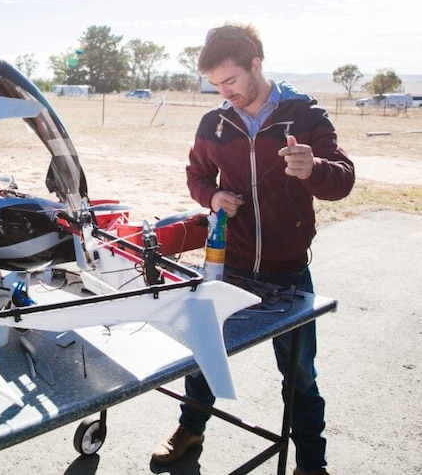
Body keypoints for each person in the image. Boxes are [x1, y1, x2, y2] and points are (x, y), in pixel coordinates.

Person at [150, 23, 354, 475]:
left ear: (255, 65)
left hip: (289, 273)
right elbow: (197, 177)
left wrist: (314, 168)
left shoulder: (306, 116)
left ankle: (311, 463)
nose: (225, 93)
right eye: (216, 85)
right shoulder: (214, 123)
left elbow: (342, 179)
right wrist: (213, 198)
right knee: (204, 353)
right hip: (229, 266)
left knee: (300, 376)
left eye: (231, 81)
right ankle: (190, 431)